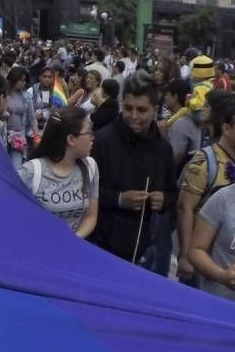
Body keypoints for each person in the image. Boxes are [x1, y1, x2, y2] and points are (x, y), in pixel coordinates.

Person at [91, 73, 175, 264]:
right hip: (102, 247)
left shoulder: (163, 148)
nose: (134, 116)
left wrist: (163, 200)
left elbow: (172, 194)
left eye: (142, 110)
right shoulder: (102, 141)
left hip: (144, 252)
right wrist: (120, 199)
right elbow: (85, 191)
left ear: (154, 110)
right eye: (128, 108)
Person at [177, 91, 235, 283]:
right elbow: (185, 208)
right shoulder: (205, 160)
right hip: (202, 257)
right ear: (227, 128)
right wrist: (185, 255)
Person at [19, 106, 99, 238]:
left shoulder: (91, 166)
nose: (93, 137)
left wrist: (73, 242)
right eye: (89, 131)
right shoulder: (30, 172)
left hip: (73, 252)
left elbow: (90, 216)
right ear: (71, 139)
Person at [4, 67, 38, 168]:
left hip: (18, 137)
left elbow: (32, 118)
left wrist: (37, 136)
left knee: (17, 168)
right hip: (3, 136)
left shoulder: (26, 96)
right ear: (14, 79)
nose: (24, 83)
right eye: (21, 80)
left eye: (25, 80)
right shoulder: (3, 95)